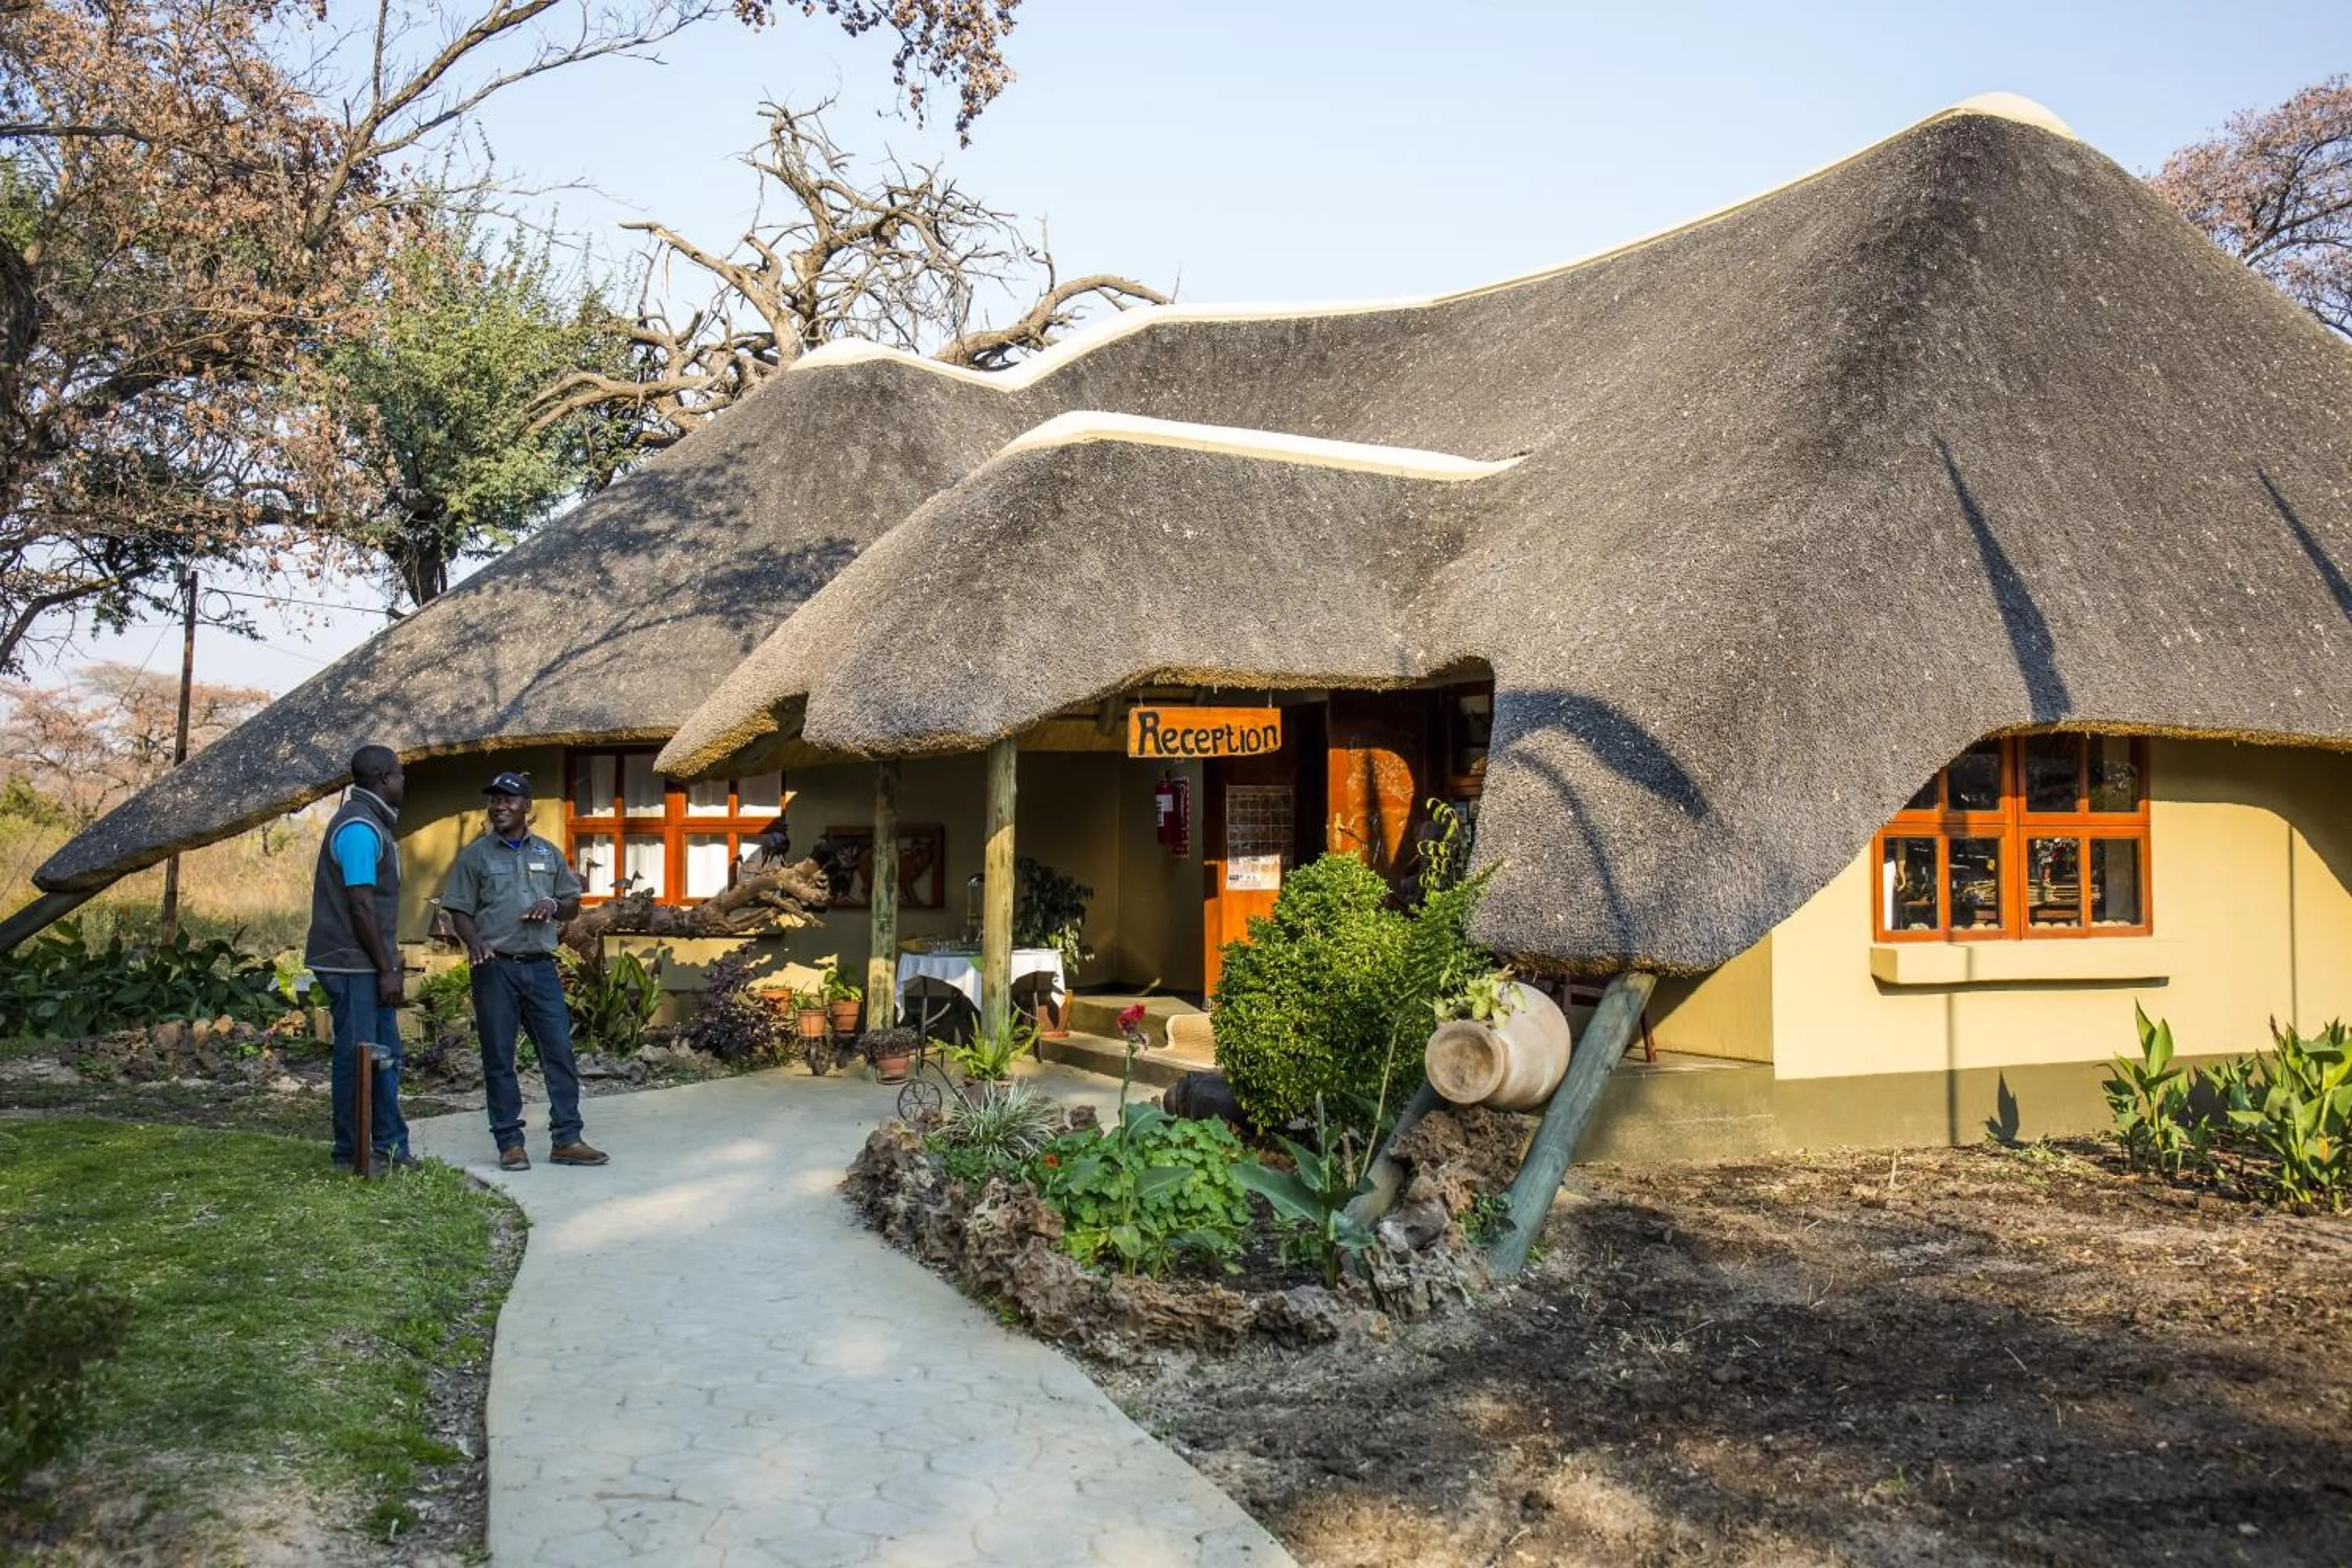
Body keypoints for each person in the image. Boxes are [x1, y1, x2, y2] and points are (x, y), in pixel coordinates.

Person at [440, 771, 608, 1171]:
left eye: (509, 799)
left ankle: (567, 1139)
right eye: (494, 799)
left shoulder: (549, 853)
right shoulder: (476, 856)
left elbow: (571, 905)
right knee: (499, 1058)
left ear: (526, 806)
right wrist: (475, 942)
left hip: (541, 969)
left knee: (559, 1053)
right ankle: (510, 1144)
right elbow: (459, 910)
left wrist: (553, 905)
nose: (500, 806)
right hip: (495, 969)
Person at [303, 743, 413, 1174]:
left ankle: (389, 1147)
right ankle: (350, 1153)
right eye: (400, 774)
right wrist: (387, 968)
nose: (403, 781)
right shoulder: (358, 829)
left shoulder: (374, 823)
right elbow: (361, 904)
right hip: (351, 964)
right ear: (384, 778)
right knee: (358, 1058)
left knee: (385, 1055)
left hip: (368, 962)